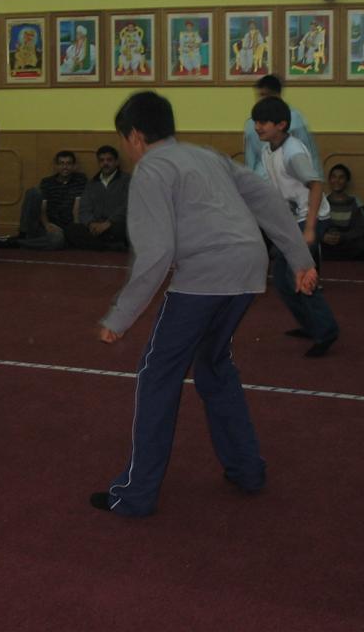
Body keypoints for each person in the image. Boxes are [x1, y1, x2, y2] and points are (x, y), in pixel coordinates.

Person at [91, 91, 317, 518]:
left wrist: (120, 316)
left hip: (205, 275)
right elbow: (267, 199)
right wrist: (300, 258)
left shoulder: (151, 171)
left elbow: (156, 252)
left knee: (157, 375)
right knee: (214, 366)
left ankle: (135, 495)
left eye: (124, 139)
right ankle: (247, 471)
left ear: (135, 136)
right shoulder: (206, 155)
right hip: (249, 268)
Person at [252, 96, 339, 356]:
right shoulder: (268, 150)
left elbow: (316, 185)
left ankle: (326, 332)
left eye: (263, 122)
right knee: (281, 279)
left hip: (311, 219)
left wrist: (310, 228)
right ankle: (312, 325)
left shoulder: (293, 152)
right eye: (255, 121)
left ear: (281, 124)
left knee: (300, 277)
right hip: (294, 222)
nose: (257, 127)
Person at [243, 74, 323, 180]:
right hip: (263, 181)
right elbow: (250, 160)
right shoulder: (251, 124)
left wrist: (316, 180)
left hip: (291, 179)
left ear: (277, 95)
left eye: (265, 95)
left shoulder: (295, 120)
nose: (261, 100)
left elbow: (310, 154)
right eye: (260, 95)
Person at [8, 151, 87, 250]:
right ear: (56, 166)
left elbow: (77, 205)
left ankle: (18, 243)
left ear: (74, 166)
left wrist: (76, 228)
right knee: (33, 192)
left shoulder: (80, 180)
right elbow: (43, 206)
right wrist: (47, 225)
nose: (65, 167)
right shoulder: (47, 182)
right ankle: (24, 235)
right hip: (47, 224)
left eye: (68, 163)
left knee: (57, 240)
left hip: (64, 228)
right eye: (61, 163)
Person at [64, 145, 130, 251]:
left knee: (128, 228)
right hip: (96, 226)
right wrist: (91, 223)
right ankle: (109, 246)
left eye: (109, 160)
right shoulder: (92, 183)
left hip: (116, 225)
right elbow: (84, 208)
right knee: (70, 229)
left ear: (116, 162)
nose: (105, 163)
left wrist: (109, 223)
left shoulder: (127, 180)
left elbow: (128, 205)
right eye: (102, 160)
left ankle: (100, 245)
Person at [322, 163, 364, 260]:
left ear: (347, 181)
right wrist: (323, 236)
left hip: (349, 248)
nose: (337, 181)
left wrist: (343, 237)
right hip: (326, 248)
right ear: (329, 180)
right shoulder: (322, 202)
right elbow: (314, 226)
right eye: (334, 177)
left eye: (341, 177)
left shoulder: (354, 202)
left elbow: (360, 229)